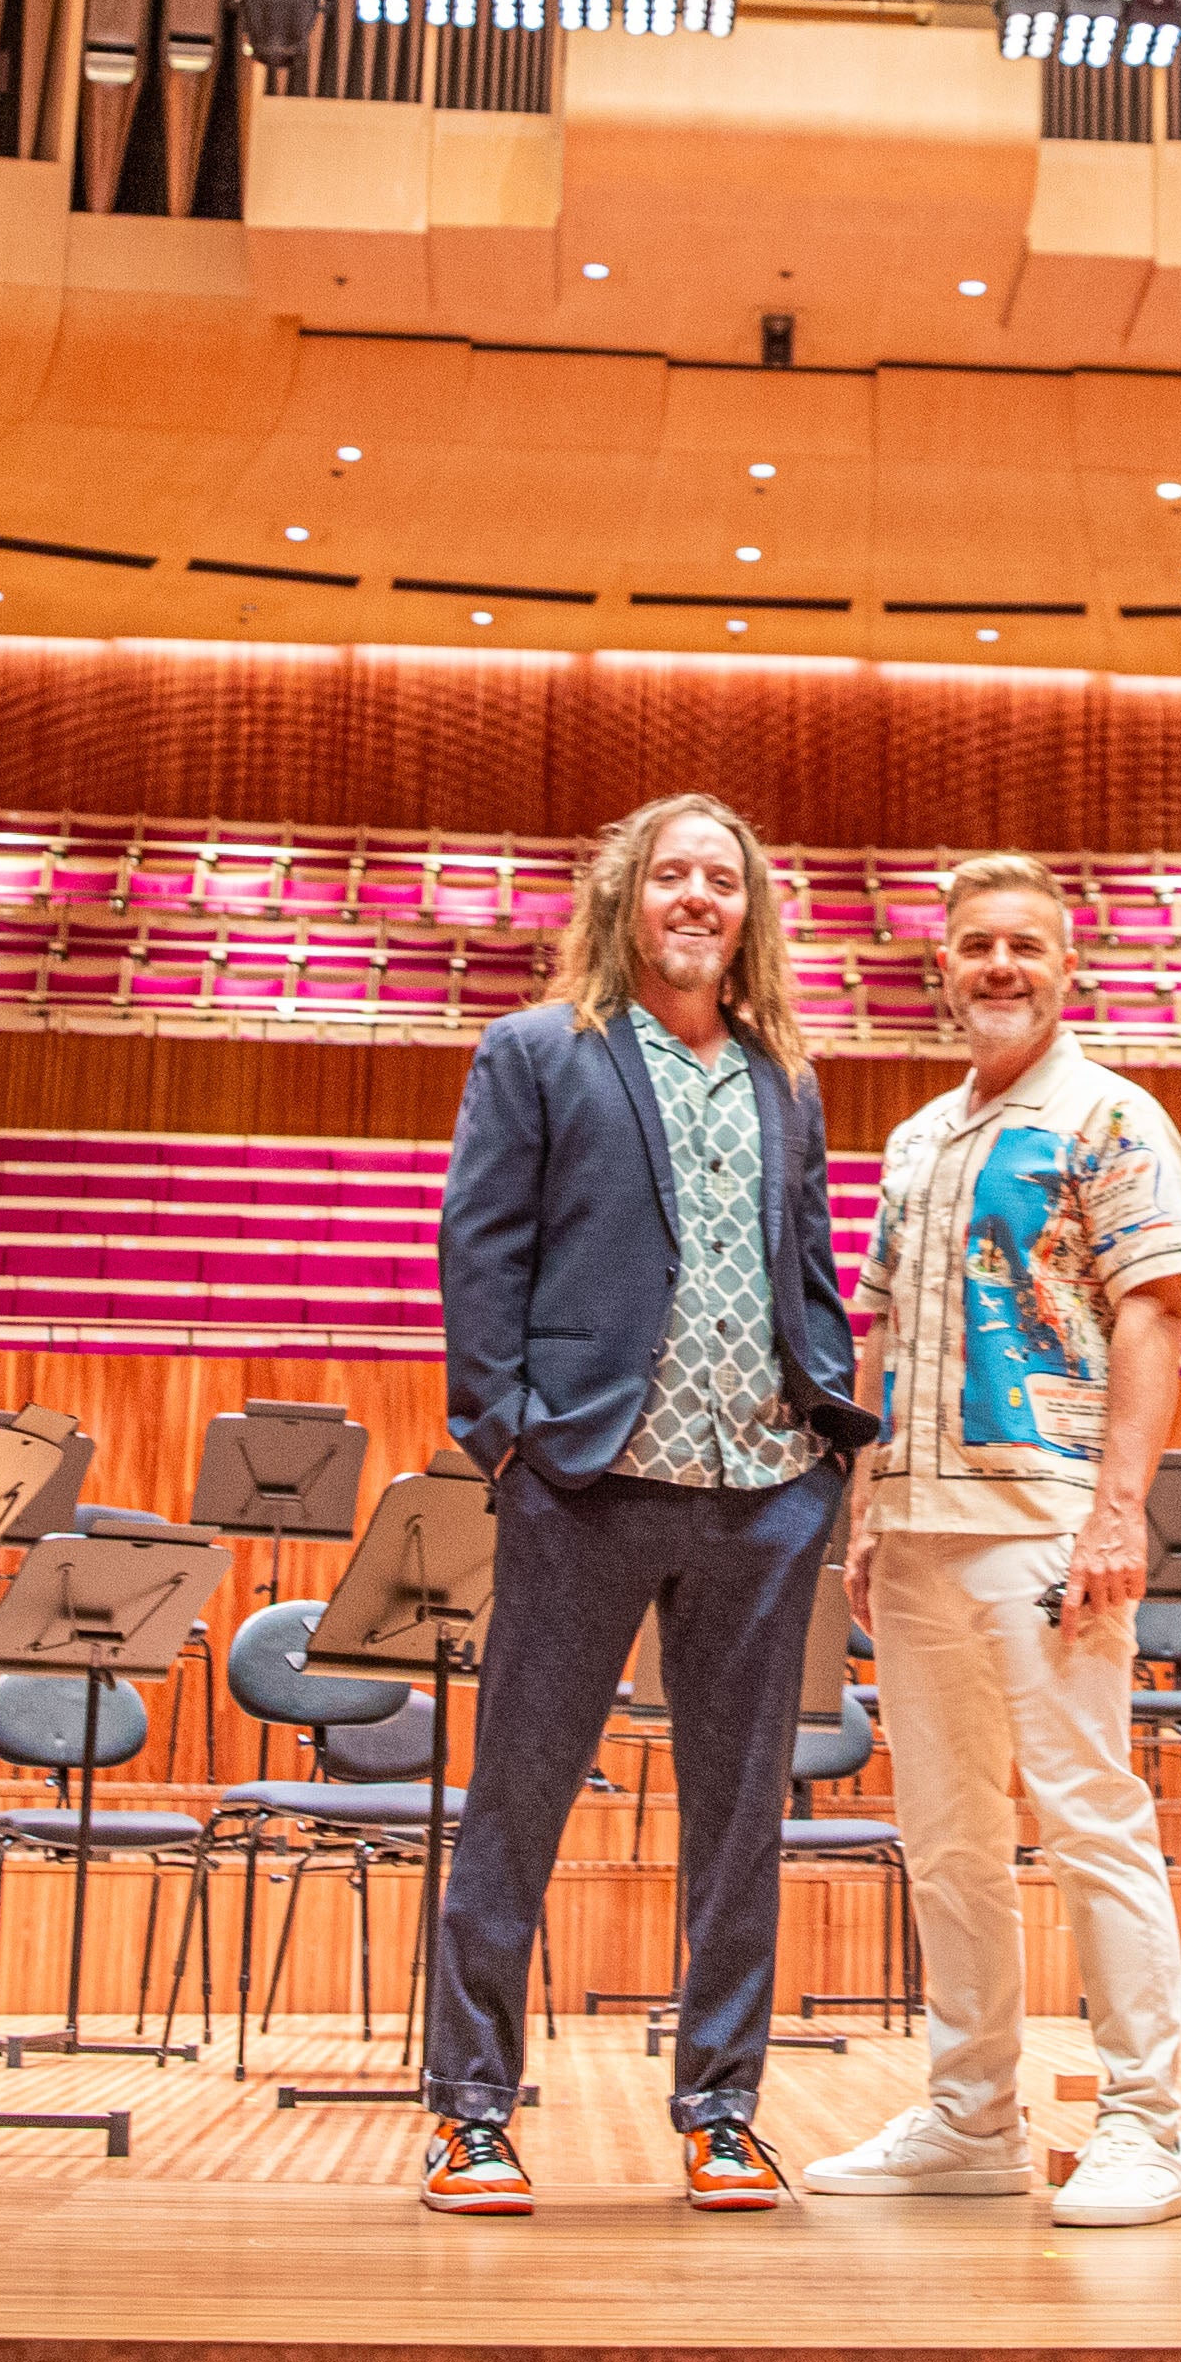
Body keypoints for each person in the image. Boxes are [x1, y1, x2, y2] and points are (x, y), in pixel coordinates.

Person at [412, 789, 871, 2218]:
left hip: (762, 1488)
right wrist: (504, 1435)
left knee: (743, 1821)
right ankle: (471, 2112)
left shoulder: (783, 1071)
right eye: (670, 875)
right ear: (625, 897)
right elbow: (477, 1246)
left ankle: (723, 2110)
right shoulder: (540, 1051)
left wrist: (826, 1418)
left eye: (720, 882)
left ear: (748, 915)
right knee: (520, 1802)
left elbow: (806, 1263)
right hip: (589, 1481)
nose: (695, 899)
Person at [799, 854, 1181, 2229]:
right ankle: (974, 2118)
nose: (1001, 966)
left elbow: (1152, 1311)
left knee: (1090, 1816)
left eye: (1026, 944)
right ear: (944, 965)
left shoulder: (1111, 1115)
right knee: (947, 1837)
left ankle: (1146, 2124)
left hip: (1044, 1514)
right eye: (977, 944)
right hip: (913, 1529)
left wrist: (1119, 1509)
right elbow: (881, 1332)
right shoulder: (916, 1141)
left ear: (1066, 966)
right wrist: (865, 1514)